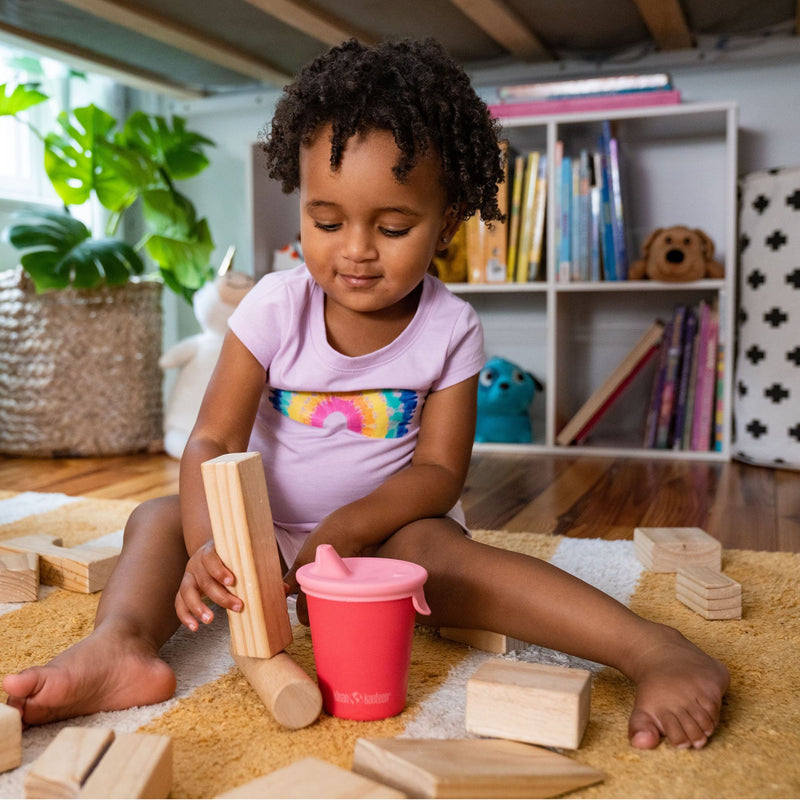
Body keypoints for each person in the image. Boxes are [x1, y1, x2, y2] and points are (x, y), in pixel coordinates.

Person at [2, 38, 728, 750]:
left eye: (391, 226)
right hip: (261, 534)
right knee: (157, 520)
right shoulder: (273, 309)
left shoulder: (450, 328)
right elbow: (212, 442)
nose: (354, 249)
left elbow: (440, 474)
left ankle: (651, 648)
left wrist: (350, 529)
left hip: (385, 538)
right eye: (326, 221)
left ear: (445, 224)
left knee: (446, 557)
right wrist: (210, 545)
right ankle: (122, 647)